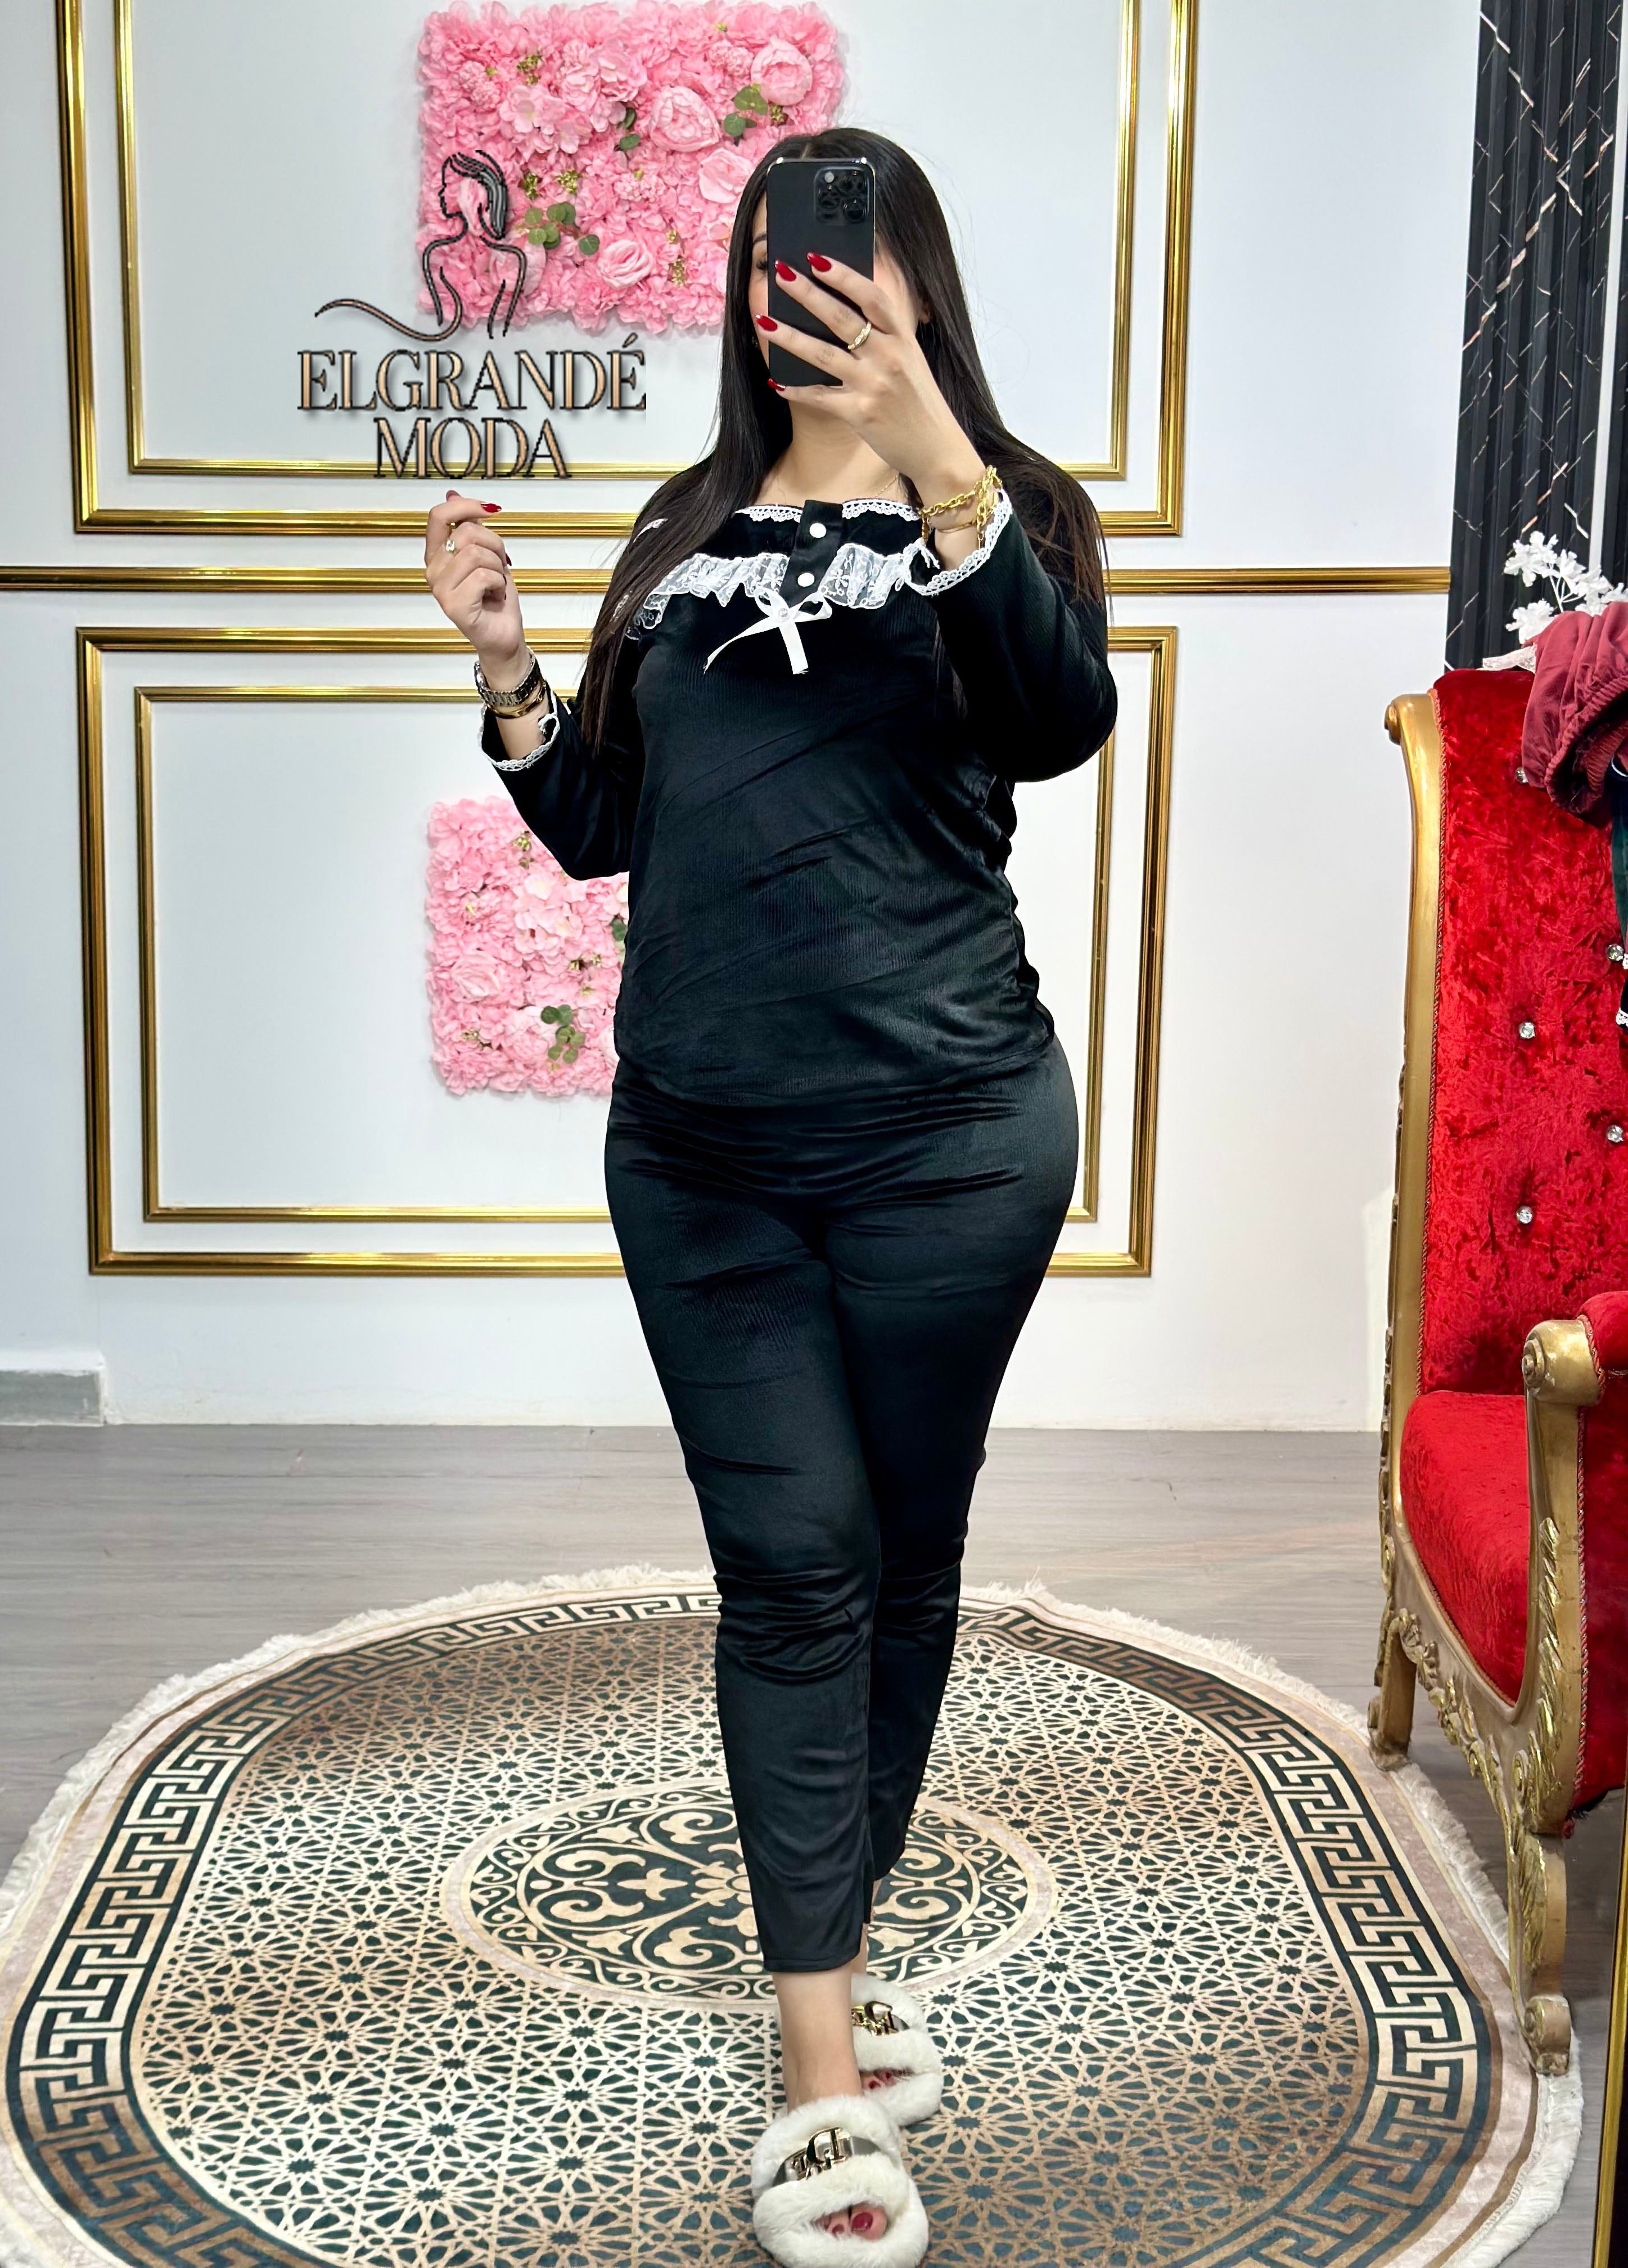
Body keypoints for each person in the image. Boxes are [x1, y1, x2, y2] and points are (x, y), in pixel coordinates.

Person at [424, 124, 1115, 2268]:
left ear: (913, 280)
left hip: (953, 1142)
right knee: (796, 1565)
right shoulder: (680, 527)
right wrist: (507, 661)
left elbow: (1058, 720)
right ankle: (821, 2064)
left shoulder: (1015, 512)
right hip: (703, 1158)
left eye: (842, 260)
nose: (796, 291)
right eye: (768, 262)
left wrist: (939, 465)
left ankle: (835, 1938)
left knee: (905, 1559)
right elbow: (604, 823)